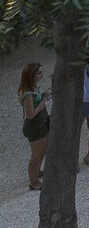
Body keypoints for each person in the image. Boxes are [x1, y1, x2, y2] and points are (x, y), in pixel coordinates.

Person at [18, 62, 49, 191]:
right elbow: (29, 115)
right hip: (34, 125)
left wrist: (42, 96)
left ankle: (37, 172)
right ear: (31, 76)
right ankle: (33, 181)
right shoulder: (27, 94)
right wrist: (42, 103)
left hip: (41, 123)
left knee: (42, 150)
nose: (41, 75)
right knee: (36, 154)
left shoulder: (33, 87)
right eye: (39, 73)